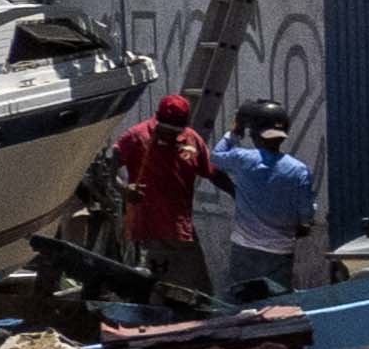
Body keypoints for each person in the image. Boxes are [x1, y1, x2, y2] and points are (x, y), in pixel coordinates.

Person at [212, 101, 323, 299]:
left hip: (244, 248)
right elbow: (306, 213)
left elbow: (216, 156)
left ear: (254, 133)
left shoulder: (243, 159)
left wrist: (235, 132)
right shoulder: (298, 170)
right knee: (276, 304)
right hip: (280, 251)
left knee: (242, 303)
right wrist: (303, 224)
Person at [117, 90, 214, 297]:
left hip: (180, 230)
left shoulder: (192, 140)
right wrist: (124, 189)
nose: (169, 134)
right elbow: (107, 167)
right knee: (153, 287)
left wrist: (236, 193)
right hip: (147, 229)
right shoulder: (136, 137)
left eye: (175, 130)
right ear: (156, 118)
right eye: (165, 129)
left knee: (197, 289)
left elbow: (211, 171)